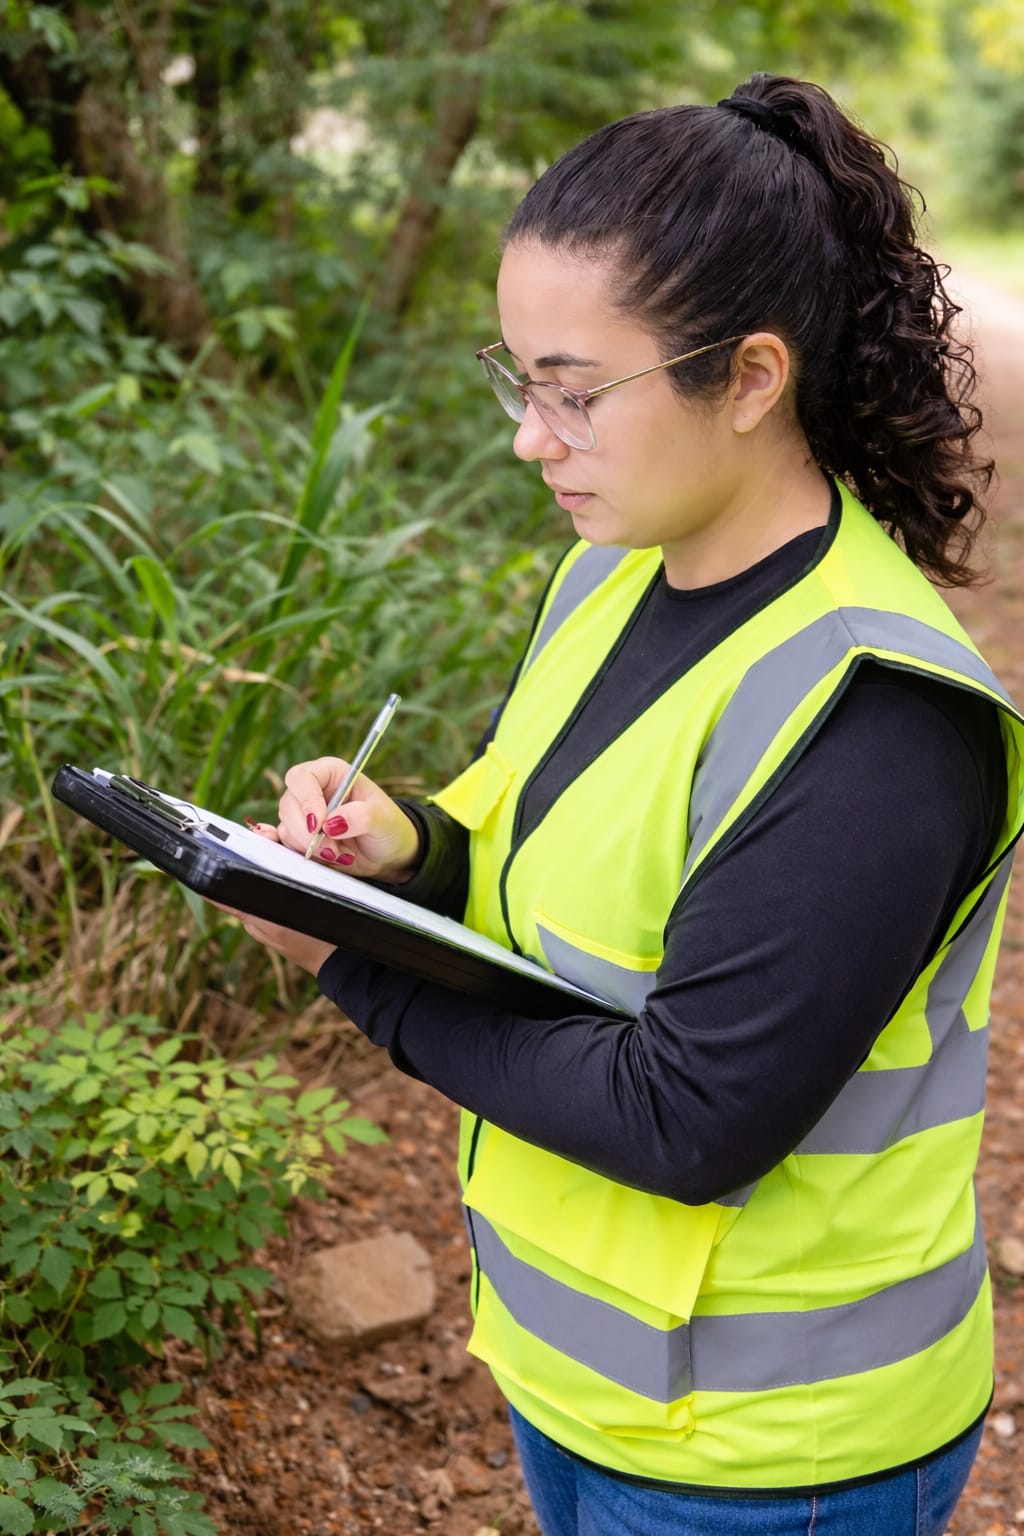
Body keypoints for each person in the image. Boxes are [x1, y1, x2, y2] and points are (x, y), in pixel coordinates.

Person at [229, 73, 1024, 1536]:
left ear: (754, 377)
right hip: (578, 1385)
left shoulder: (877, 720)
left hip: (777, 1459)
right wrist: (398, 845)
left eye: (575, 390)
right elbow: (536, 853)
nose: (533, 439)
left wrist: (349, 963)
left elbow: (692, 1121)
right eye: (518, 378)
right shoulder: (615, 571)